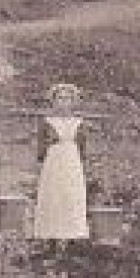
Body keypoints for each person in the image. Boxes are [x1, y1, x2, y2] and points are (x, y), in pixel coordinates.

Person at [32, 82, 91, 247]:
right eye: (60, 99)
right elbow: (41, 149)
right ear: (53, 101)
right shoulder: (47, 122)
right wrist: (45, 159)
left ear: (73, 102)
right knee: (53, 196)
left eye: (67, 99)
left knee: (72, 195)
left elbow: (83, 148)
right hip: (53, 163)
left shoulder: (79, 123)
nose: (63, 103)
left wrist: (80, 164)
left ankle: (73, 239)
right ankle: (51, 238)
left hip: (72, 163)